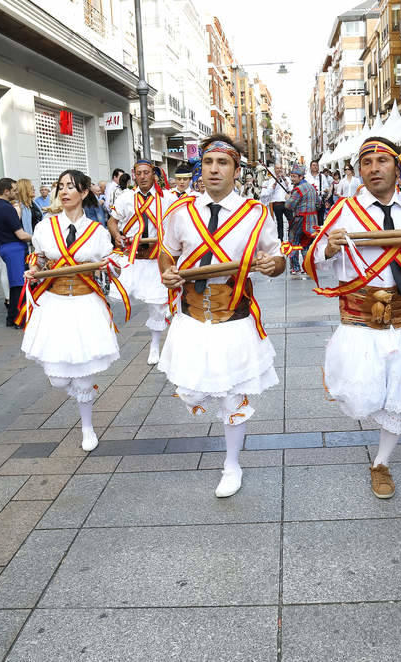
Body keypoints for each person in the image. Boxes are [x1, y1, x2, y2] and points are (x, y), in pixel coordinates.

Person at [305, 137, 401, 499]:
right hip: (359, 320)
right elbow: (314, 260)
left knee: (399, 399)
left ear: (397, 167)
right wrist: (328, 246)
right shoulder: (344, 210)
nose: (374, 168)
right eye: (366, 162)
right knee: (364, 393)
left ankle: (381, 462)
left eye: (381, 161)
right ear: (359, 170)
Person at [158, 134, 284, 498]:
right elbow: (168, 252)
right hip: (191, 318)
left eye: (223, 163)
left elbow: (277, 258)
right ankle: (208, 407)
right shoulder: (180, 212)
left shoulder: (257, 214)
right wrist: (166, 272)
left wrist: (270, 265)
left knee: (231, 395)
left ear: (235, 169)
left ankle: (232, 464)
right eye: (209, 162)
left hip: (234, 318)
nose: (214, 169)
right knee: (193, 390)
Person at [20, 169, 120, 452]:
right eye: (60, 186)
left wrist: (109, 266)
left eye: (71, 187)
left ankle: (87, 426)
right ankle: (77, 393)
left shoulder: (98, 232)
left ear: (84, 192)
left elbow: (114, 265)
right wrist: (32, 270)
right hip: (54, 306)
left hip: (86, 304)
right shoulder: (44, 228)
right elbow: (38, 261)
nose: (64, 192)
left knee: (84, 374)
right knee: (59, 378)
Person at [107, 160, 176, 364]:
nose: (143, 176)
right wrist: (116, 235)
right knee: (117, 296)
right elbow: (112, 221)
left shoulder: (168, 198)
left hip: (157, 259)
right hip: (133, 258)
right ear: (134, 175)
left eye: (147, 172)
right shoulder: (125, 198)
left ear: (154, 174)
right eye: (139, 173)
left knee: (156, 305)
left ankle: (155, 346)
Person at [0, 178, 31, 327]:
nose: (16, 192)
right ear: (6, 191)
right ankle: (20, 319)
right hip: (14, 248)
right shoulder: (7, 208)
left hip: (5, 247)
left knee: (15, 285)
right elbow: (21, 235)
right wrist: (38, 237)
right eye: (14, 190)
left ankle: (12, 317)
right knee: (19, 285)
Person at [285, 164, 319, 275]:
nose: (292, 178)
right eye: (291, 176)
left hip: (300, 219)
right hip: (312, 220)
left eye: (295, 176)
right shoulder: (312, 187)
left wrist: (288, 198)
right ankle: (307, 266)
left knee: (293, 242)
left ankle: (295, 267)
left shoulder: (298, 189)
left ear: (301, 177)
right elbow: (318, 204)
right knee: (306, 243)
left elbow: (289, 206)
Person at [261, 164, 291, 242]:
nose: (279, 169)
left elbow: (290, 188)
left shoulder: (287, 178)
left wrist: (284, 179)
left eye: (280, 168)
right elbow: (268, 192)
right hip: (276, 204)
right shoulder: (270, 180)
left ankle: (290, 238)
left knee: (291, 220)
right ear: (274, 170)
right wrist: (275, 183)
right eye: (277, 168)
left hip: (286, 203)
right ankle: (280, 240)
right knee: (279, 223)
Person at [306, 159, 332, 227]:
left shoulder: (322, 176)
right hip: (309, 202)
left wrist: (324, 191)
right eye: (313, 165)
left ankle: (319, 236)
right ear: (310, 167)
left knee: (320, 221)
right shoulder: (306, 177)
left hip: (320, 201)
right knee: (311, 221)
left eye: (316, 165)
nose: (315, 167)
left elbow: (326, 188)